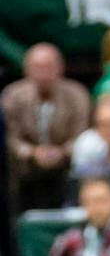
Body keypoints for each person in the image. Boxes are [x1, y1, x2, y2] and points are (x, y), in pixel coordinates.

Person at [2, 42, 91, 211]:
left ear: (60, 67)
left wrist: (63, 151)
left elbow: (83, 133)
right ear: (26, 69)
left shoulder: (77, 94)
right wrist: (31, 152)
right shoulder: (12, 96)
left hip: (66, 170)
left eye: (49, 67)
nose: (43, 74)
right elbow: (8, 136)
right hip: (23, 173)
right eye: (37, 68)